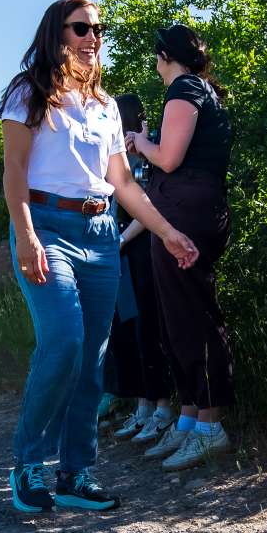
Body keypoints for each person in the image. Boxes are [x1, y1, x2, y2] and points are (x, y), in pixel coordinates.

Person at [0, 0, 199, 513]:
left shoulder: (106, 106)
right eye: (81, 28)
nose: (93, 38)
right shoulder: (29, 92)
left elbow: (125, 184)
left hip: (100, 233)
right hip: (46, 225)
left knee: (92, 359)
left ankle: (75, 472)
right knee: (64, 341)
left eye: (97, 29)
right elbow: (15, 172)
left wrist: (167, 231)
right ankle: (28, 465)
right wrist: (25, 236)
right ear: (56, 33)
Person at [126, 24, 234, 472]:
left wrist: (140, 143)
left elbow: (168, 158)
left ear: (163, 56)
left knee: (192, 317)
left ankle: (211, 425)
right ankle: (189, 420)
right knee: (174, 321)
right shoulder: (199, 89)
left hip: (187, 214)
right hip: (180, 210)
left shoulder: (185, 88)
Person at [107, 94, 176, 446]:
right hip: (123, 252)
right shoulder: (117, 157)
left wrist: (120, 240)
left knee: (150, 328)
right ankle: (143, 406)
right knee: (129, 331)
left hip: (143, 250)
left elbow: (149, 206)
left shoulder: (146, 155)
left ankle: (162, 407)